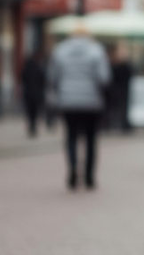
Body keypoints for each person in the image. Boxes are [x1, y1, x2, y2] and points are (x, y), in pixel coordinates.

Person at [47, 24, 110, 190]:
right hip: (91, 102)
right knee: (90, 139)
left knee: (71, 137)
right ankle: (89, 176)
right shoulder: (97, 51)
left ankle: (73, 171)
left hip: (68, 101)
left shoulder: (60, 50)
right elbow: (104, 78)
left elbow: (53, 76)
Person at [105, 44, 133, 133]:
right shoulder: (110, 64)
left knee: (121, 108)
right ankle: (110, 124)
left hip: (120, 90)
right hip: (113, 90)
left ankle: (121, 125)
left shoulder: (124, 65)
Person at [20, 49, 47, 138]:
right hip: (36, 94)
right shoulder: (39, 67)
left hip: (28, 93)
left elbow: (22, 78)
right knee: (34, 111)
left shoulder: (26, 67)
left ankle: (32, 125)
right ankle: (33, 126)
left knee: (30, 111)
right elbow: (43, 80)